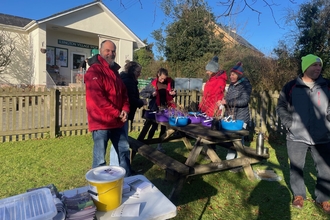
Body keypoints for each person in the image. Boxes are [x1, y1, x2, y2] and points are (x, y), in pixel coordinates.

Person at [276, 54, 330, 213]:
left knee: (326, 169)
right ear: (305, 67)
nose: (318, 68)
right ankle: (299, 195)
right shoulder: (291, 86)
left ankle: (324, 198)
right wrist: (289, 123)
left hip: (323, 136)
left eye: (319, 65)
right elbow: (281, 106)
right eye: (314, 65)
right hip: (296, 136)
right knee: (297, 167)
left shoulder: (327, 85)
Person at [84, 40, 132, 177]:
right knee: (99, 161)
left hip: (118, 122)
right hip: (101, 123)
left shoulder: (115, 72)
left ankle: (127, 182)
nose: (110, 54)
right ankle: (99, 188)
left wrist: (125, 110)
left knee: (124, 154)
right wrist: (118, 112)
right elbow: (98, 99)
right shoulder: (94, 71)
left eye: (113, 51)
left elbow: (124, 94)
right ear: (100, 51)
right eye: (107, 50)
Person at [109, 61, 147, 166]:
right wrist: (141, 102)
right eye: (138, 72)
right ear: (132, 71)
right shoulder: (129, 81)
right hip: (122, 114)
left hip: (121, 113)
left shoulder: (126, 79)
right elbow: (130, 99)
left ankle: (117, 166)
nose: (140, 74)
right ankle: (118, 168)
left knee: (118, 142)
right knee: (121, 143)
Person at [219, 62, 252, 168]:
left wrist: (228, 102)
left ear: (239, 75)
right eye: (230, 74)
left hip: (241, 118)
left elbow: (244, 101)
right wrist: (223, 102)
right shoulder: (232, 85)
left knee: (238, 141)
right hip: (231, 117)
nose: (231, 76)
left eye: (233, 74)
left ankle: (239, 163)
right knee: (232, 139)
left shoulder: (245, 85)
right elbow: (229, 99)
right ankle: (230, 160)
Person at [140, 68, 176, 152]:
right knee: (153, 127)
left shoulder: (170, 83)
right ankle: (148, 144)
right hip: (155, 108)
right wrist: (151, 94)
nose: (163, 80)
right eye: (161, 78)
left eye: (164, 78)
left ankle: (159, 146)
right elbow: (142, 93)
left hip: (166, 108)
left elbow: (172, 94)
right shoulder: (152, 84)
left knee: (163, 128)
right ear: (158, 75)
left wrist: (173, 94)